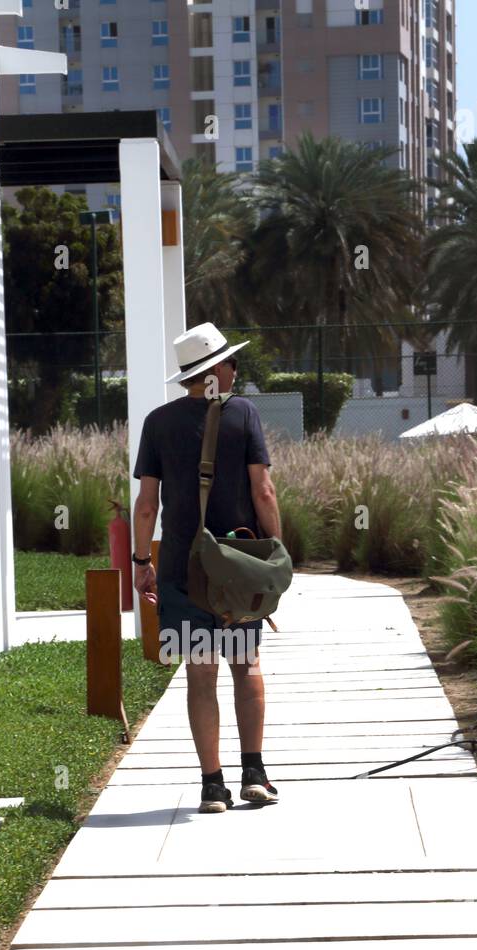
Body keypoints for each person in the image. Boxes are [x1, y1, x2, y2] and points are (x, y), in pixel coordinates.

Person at [132, 322, 282, 814]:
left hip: (181, 567)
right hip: (237, 568)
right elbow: (263, 490)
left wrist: (141, 562)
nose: (236, 369)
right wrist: (274, 550)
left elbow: (146, 505)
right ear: (217, 369)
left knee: (200, 673)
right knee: (246, 665)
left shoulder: (158, 422)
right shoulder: (244, 415)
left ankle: (212, 785)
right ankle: (254, 774)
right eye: (232, 362)